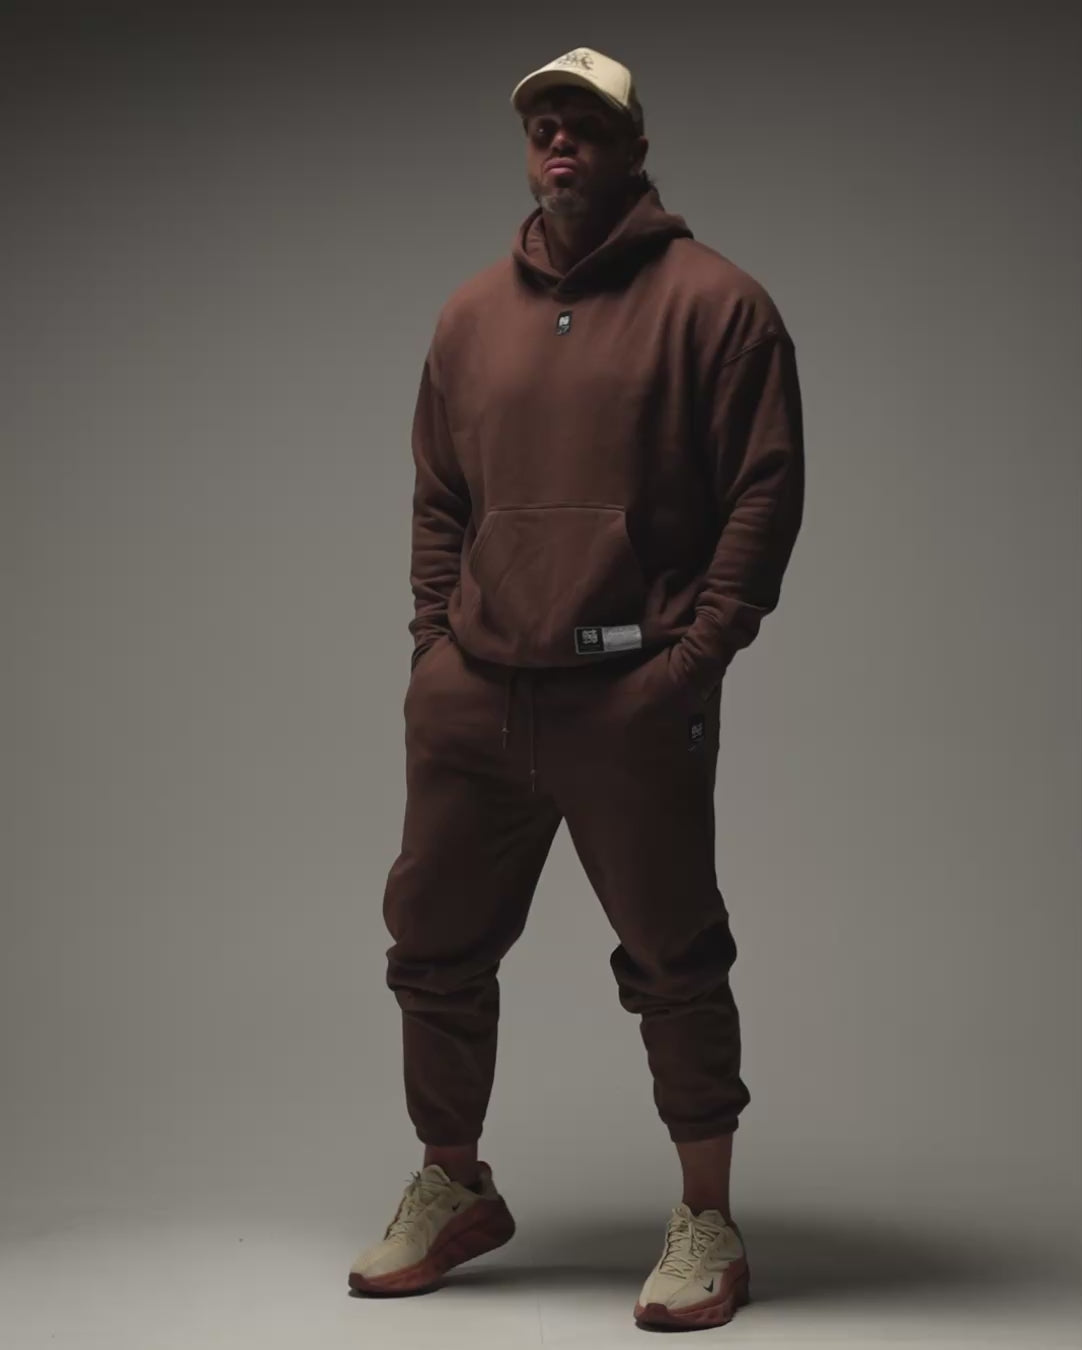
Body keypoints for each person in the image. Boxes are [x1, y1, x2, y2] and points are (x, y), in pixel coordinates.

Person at [348, 46, 805, 1332]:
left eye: (585, 122)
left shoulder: (717, 305)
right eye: (543, 122)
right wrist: (432, 647)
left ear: (631, 144)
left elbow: (764, 490)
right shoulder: (468, 316)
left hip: (630, 700)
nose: (560, 139)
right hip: (474, 696)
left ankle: (707, 1221)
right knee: (431, 948)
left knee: (673, 957)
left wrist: (693, 659)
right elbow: (440, 494)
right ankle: (454, 1185)